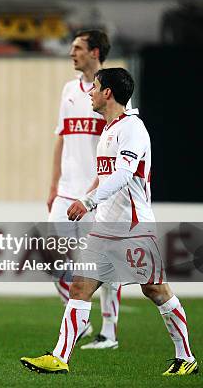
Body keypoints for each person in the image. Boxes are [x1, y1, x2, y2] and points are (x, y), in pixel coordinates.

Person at [21, 68, 198, 376]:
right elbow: (105, 176)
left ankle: (186, 357)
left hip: (133, 227)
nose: (89, 93)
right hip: (105, 228)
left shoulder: (132, 128)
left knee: (156, 291)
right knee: (79, 287)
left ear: (108, 93)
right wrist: (87, 198)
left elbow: (124, 175)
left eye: (96, 88)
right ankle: (59, 357)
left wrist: (87, 202)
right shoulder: (109, 130)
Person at [48, 30, 126, 349]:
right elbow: (61, 138)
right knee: (55, 261)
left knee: (103, 264)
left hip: (98, 193)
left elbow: (121, 141)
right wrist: (53, 186)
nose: (72, 54)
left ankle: (108, 330)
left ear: (95, 52)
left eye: (78, 48)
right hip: (67, 191)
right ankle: (82, 319)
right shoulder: (69, 90)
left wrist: (101, 189)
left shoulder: (114, 90)